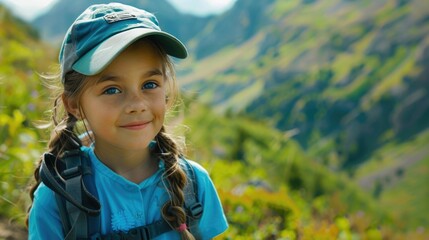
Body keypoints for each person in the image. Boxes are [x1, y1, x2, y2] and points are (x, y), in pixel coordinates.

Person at [27, 3, 228, 239]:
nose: (137, 104)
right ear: (73, 104)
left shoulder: (193, 184)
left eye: (149, 85)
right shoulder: (58, 199)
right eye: (112, 90)